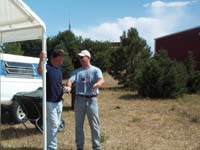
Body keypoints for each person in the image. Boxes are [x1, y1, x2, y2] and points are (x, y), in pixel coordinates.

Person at [65, 50, 104, 150]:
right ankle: (80, 147)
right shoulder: (77, 71)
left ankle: (96, 147)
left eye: (82, 57)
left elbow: (101, 79)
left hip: (92, 100)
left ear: (88, 58)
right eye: (79, 58)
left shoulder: (96, 70)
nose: (80, 59)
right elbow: (70, 80)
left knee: (95, 125)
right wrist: (69, 87)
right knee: (78, 126)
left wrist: (97, 84)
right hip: (79, 100)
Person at [37, 49, 67, 150]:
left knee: (55, 125)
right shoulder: (47, 67)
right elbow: (39, 71)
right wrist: (41, 60)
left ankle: (48, 144)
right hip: (49, 101)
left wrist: (63, 93)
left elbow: (58, 84)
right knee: (54, 125)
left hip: (59, 101)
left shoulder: (59, 69)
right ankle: (51, 147)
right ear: (55, 57)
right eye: (62, 56)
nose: (63, 58)